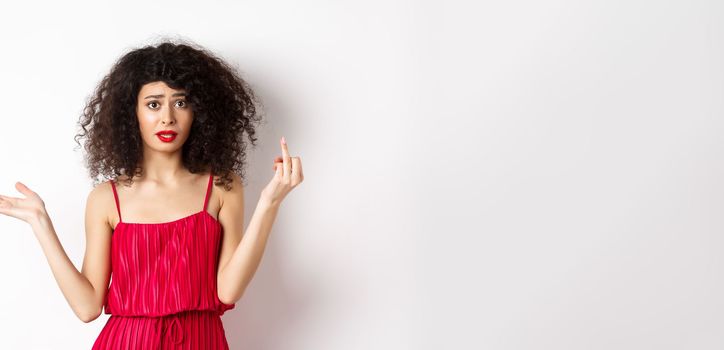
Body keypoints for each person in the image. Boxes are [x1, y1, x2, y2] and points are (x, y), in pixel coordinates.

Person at [0, 39, 303, 349]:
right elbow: (87, 306)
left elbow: (227, 291)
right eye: (154, 104)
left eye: (181, 102)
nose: (168, 117)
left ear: (199, 111)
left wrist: (270, 203)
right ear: (132, 112)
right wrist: (40, 222)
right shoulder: (106, 198)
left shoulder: (223, 187)